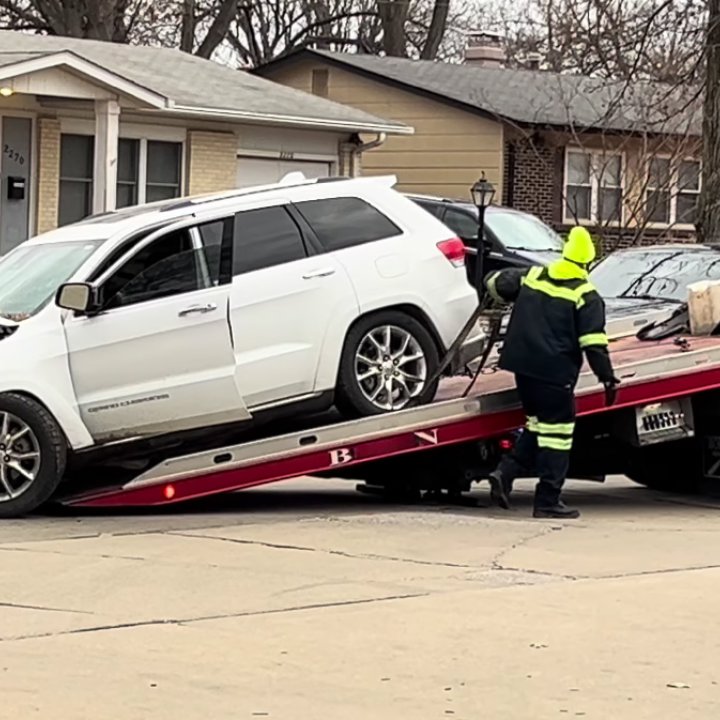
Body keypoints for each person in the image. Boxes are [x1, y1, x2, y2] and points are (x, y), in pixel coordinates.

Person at [483, 226, 619, 519]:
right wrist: (607, 377)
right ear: (587, 263)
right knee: (557, 435)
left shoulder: (532, 277)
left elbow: (496, 283)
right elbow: (593, 343)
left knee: (538, 425)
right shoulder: (586, 294)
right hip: (554, 373)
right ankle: (547, 500)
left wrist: (492, 284)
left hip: (523, 368)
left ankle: (505, 473)